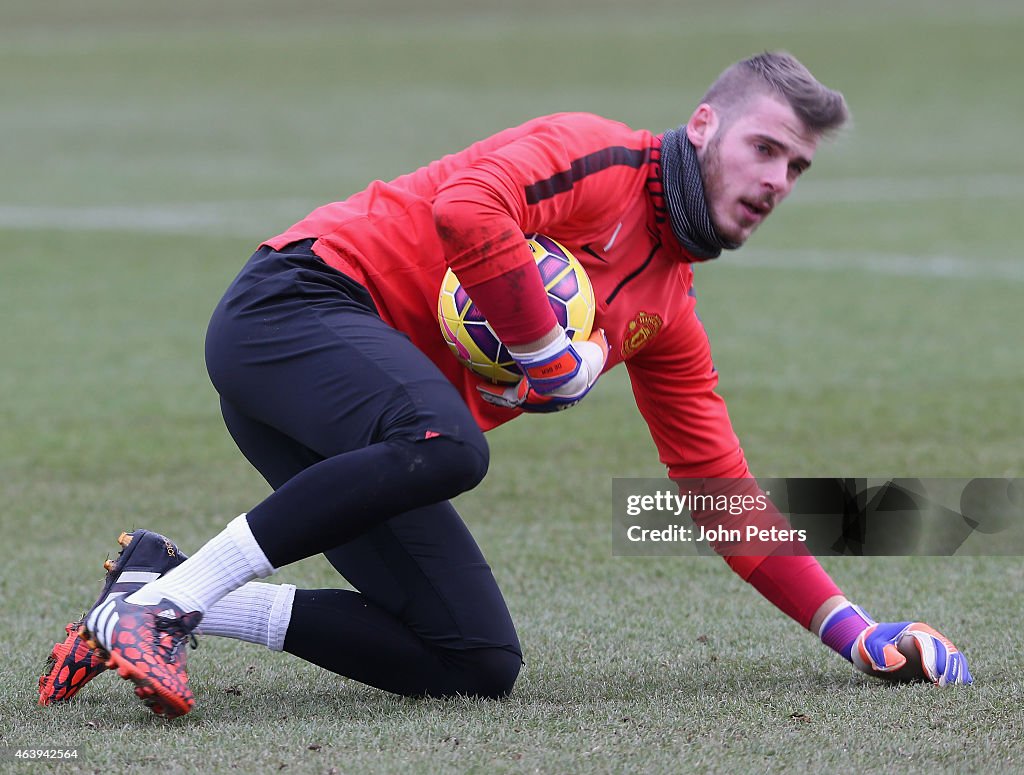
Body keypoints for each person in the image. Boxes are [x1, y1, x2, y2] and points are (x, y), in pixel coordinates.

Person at [42, 51, 971, 718]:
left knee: (474, 658)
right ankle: (163, 611)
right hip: (290, 307)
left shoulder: (667, 310)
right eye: (766, 148)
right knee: (451, 441)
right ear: (705, 127)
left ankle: (163, 586)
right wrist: (544, 347)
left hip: (369, 433)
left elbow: (720, 495)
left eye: (798, 167)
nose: (779, 180)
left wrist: (854, 630)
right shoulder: (602, 155)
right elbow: (466, 205)